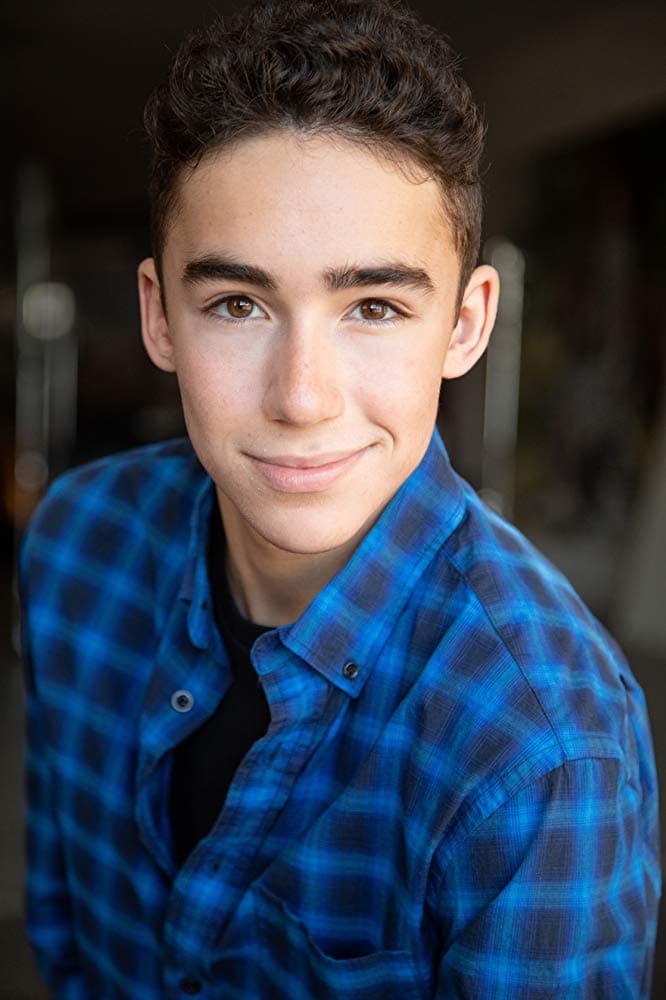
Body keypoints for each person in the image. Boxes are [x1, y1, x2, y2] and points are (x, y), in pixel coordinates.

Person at [20, 1, 660, 997]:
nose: (302, 398)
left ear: (465, 324)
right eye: (238, 304)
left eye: (374, 307)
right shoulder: (74, 542)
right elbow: (65, 940)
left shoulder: (543, 743)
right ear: (160, 317)